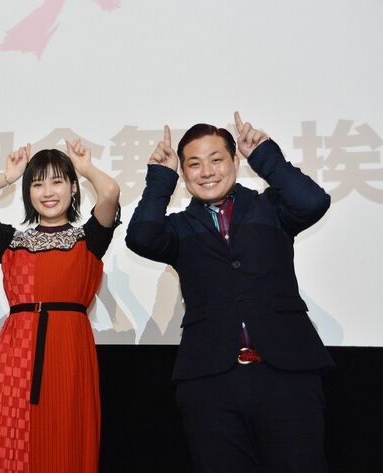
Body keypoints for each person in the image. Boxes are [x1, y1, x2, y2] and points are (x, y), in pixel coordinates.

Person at [125, 112, 334, 472]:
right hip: (210, 382)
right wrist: (160, 177)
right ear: (183, 173)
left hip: (287, 374)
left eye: (216, 159)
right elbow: (141, 237)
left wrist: (265, 155)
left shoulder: (271, 208)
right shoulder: (178, 228)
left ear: (235, 162)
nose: (207, 171)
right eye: (194, 164)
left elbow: (313, 202)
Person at [0, 140, 120, 472]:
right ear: (27, 192)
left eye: (57, 181)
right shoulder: (12, 241)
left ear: (73, 188)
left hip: (69, 351)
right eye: (37, 183)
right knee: (6, 439)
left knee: (65, 439)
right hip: (14, 356)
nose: (48, 192)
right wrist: (8, 176)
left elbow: (110, 192)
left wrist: (85, 168)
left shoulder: (89, 239)